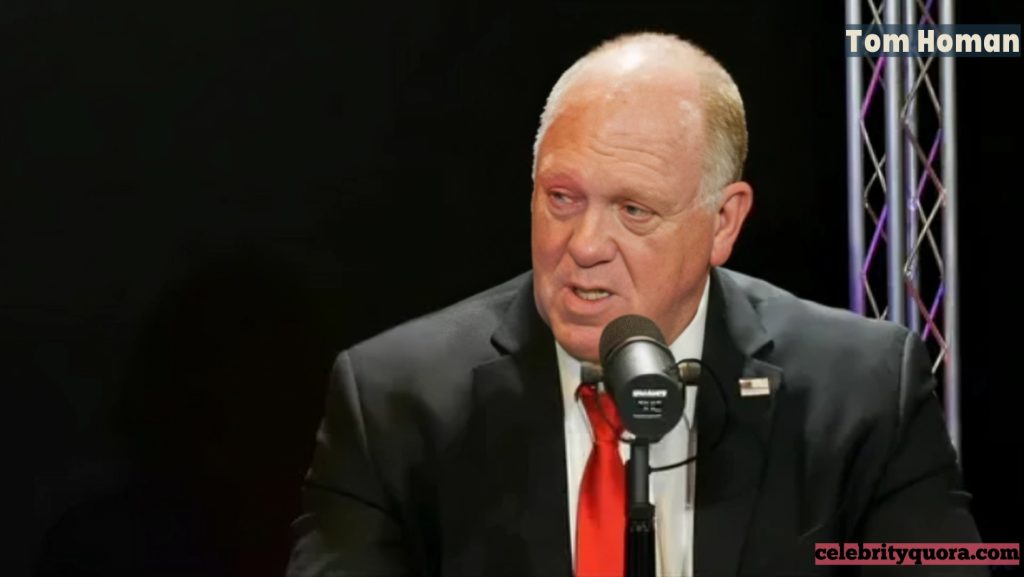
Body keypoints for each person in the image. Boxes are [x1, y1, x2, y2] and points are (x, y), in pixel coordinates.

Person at [287, 32, 983, 577]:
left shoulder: (859, 391)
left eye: (634, 209)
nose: (584, 244)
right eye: (561, 197)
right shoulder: (396, 403)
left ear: (723, 222)